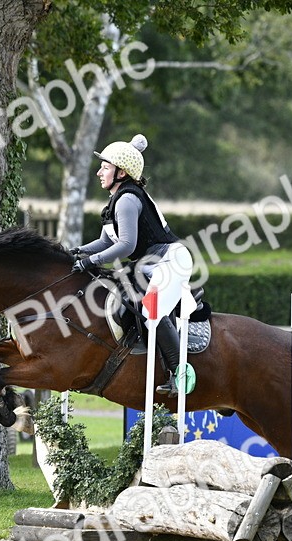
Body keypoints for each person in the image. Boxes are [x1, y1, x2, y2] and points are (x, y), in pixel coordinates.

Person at [71, 134, 194, 395]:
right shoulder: (116, 200)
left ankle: (180, 374)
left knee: (151, 311)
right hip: (149, 264)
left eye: (105, 167)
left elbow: (126, 246)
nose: (99, 173)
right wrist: (76, 252)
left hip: (170, 261)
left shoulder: (127, 199)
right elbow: (105, 242)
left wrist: (89, 262)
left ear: (121, 172)